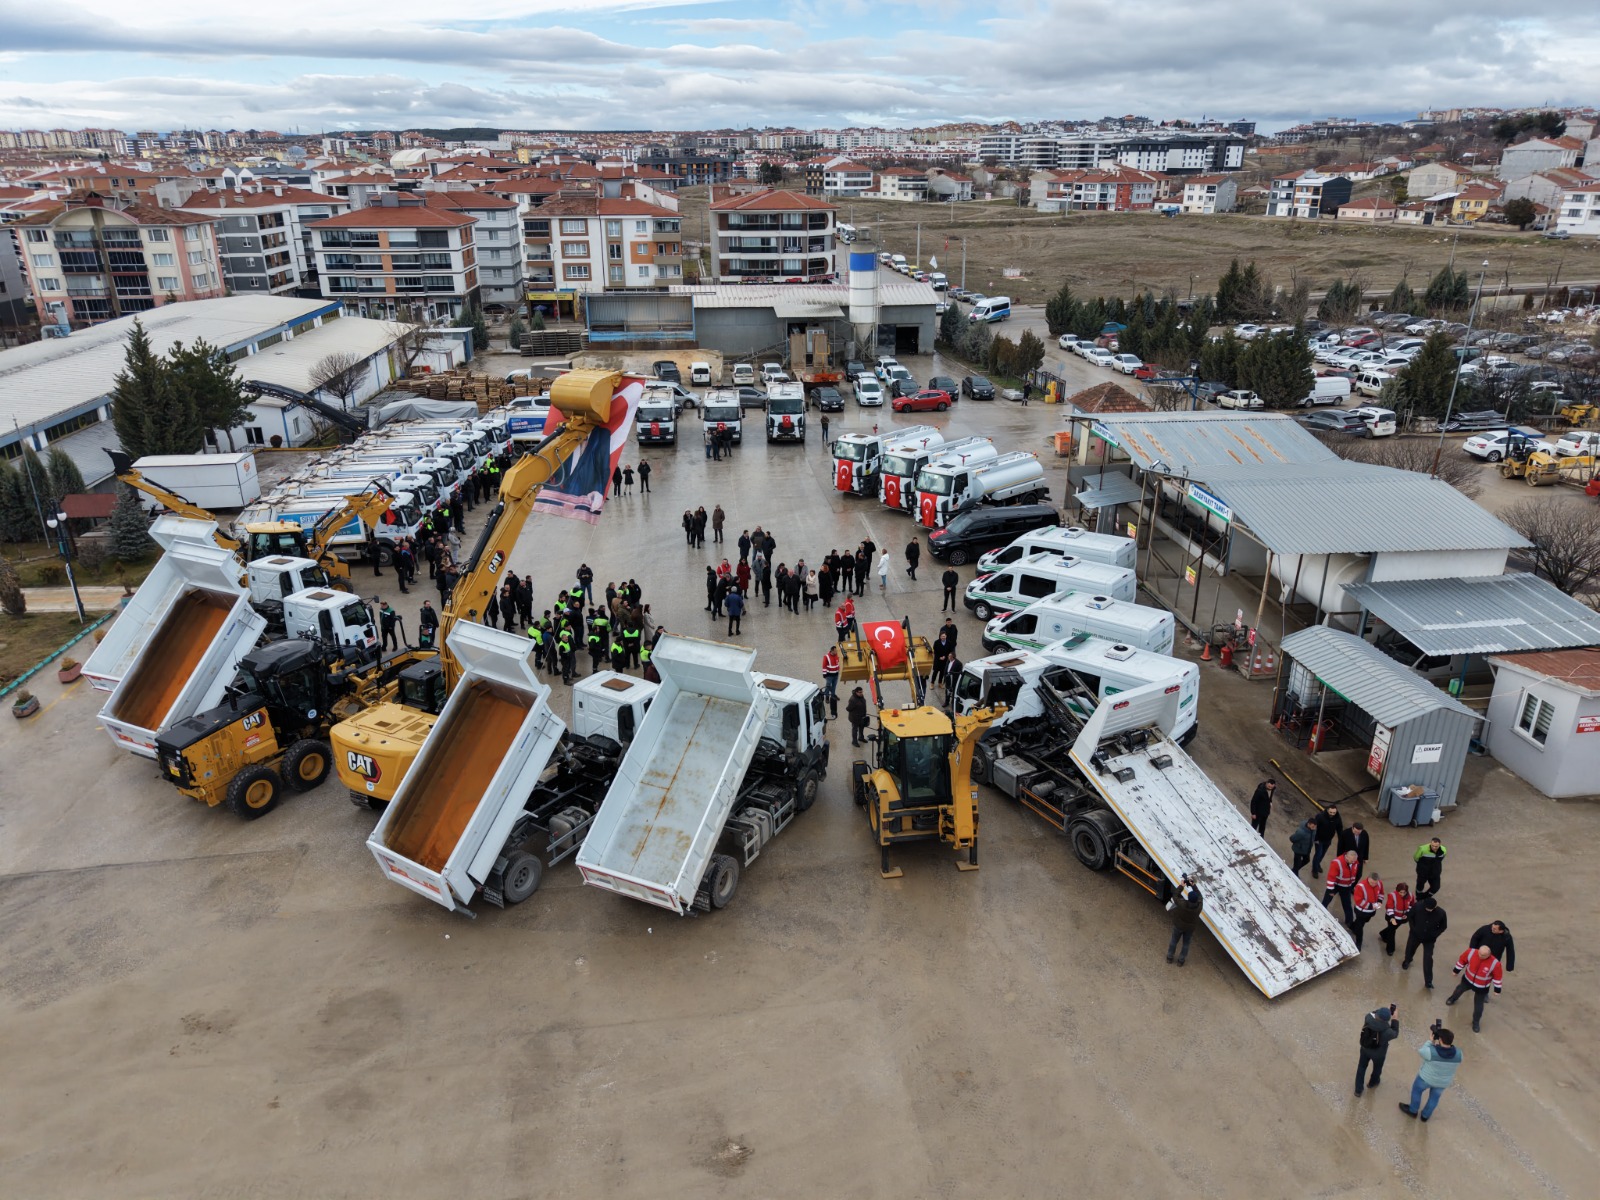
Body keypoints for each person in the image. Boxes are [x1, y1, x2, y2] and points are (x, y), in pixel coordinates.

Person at [1398, 1025, 1462, 1122]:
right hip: (1442, 1082)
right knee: (1434, 1098)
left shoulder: (1431, 1051)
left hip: (1425, 1079)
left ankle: (1413, 1110)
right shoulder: (1459, 1054)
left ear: (1440, 1039)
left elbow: (1421, 1051)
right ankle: (1425, 1116)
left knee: (1417, 1091)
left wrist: (1430, 1041)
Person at [1447, 945, 1504, 1033]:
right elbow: (1462, 961)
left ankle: (1476, 1022)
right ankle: (1452, 999)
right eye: (1479, 953)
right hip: (1467, 980)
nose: (1480, 956)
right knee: (1459, 990)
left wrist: (1497, 990)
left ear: (1489, 954)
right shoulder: (1471, 952)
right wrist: (1456, 971)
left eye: (1483, 955)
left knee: (1478, 1006)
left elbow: (1497, 977)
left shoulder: (1495, 964)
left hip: (1481, 987)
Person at [1401, 895, 1448, 989]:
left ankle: (1428, 981)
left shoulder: (1441, 913)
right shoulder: (1417, 906)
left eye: (1431, 909)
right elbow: (1410, 916)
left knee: (1428, 958)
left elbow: (1443, 926)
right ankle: (1407, 960)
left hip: (1429, 939)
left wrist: (1434, 934)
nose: (1429, 910)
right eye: (1427, 908)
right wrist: (1413, 929)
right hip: (1415, 935)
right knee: (1410, 949)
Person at [1356, 1003, 1400, 1096]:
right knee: (1377, 1069)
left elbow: (1373, 1013)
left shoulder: (1368, 1018)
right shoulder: (1388, 1032)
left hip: (1365, 1048)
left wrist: (1384, 1011)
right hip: (1379, 1054)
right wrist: (1395, 1019)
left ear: (1377, 1015)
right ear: (1387, 1020)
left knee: (1361, 1067)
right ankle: (1372, 1083)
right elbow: (1395, 1033)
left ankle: (1358, 1090)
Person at [1165, 875, 1203, 966]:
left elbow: (1175, 896)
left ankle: (1170, 957)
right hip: (1190, 928)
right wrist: (1194, 886)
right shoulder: (1199, 907)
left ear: (1188, 898)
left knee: (1174, 941)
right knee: (1186, 944)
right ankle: (1181, 961)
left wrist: (1181, 886)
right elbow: (1200, 896)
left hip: (1179, 925)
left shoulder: (1182, 904)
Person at [1322, 849, 1360, 925]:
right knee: (1326, 901)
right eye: (1352, 861)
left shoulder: (1354, 862)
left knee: (1347, 904)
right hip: (1335, 886)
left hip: (1346, 887)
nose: (1353, 862)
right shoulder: (1337, 863)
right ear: (1347, 857)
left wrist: (1351, 885)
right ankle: (1320, 912)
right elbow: (1331, 877)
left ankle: (1349, 922)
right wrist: (1330, 890)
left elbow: (1353, 874)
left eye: (1354, 861)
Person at [1379, 882, 1414, 957]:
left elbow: (1411, 905)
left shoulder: (1411, 896)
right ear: (1397, 890)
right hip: (1392, 917)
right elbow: (1389, 907)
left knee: (1392, 929)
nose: (1402, 894)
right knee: (1392, 932)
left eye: (1404, 892)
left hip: (1402, 918)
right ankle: (1390, 949)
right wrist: (1392, 918)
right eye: (1400, 892)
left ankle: (1383, 934)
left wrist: (1407, 914)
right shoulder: (1392, 895)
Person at [1350, 873, 1384, 948]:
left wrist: (1379, 901)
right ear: (1368, 879)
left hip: (1371, 911)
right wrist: (1372, 906)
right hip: (1361, 911)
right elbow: (1359, 901)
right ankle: (1358, 943)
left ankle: (1353, 926)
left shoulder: (1379, 883)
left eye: (1375, 883)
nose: (1373, 885)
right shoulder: (1360, 887)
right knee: (1360, 927)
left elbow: (1381, 894)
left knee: (1363, 922)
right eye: (1372, 882)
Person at [1310, 803, 1343, 878]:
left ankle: (1317, 864)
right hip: (1319, 840)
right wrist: (1315, 839)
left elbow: (1339, 828)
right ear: (1327, 810)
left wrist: (1341, 839)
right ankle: (1314, 870)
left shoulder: (1337, 818)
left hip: (1328, 840)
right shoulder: (1320, 816)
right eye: (1331, 812)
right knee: (1318, 854)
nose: (1332, 814)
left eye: (1334, 813)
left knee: (1322, 854)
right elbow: (1314, 827)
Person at [821, 645, 841, 717]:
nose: (836, 652)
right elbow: (824, 666)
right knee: (828, 686)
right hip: (829, 675)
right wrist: (824, 674)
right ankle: (827, 696)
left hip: (835, 674)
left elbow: (838, 663)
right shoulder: (826, 657)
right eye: (835, 651)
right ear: (832, 650)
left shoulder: (837, 655)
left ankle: (832, 695)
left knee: (834, 686)